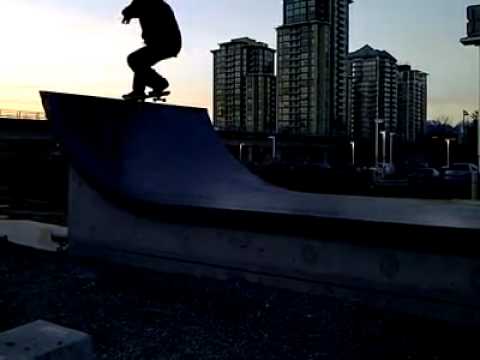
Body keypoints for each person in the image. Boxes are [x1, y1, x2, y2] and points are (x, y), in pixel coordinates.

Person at [121, 0, 182, 100]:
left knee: (135, 59)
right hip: (170, 43)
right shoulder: (159, 4)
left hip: (166, 43)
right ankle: (144, 89)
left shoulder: (149, 3)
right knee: (140, 62)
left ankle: (157, 84)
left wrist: (128, 15)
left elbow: (129, 10)